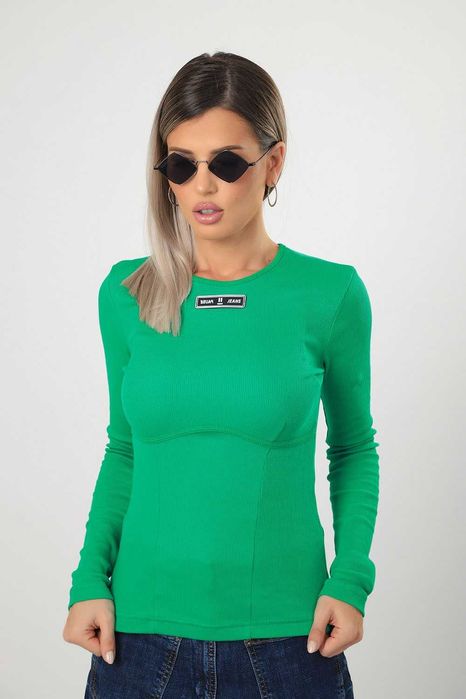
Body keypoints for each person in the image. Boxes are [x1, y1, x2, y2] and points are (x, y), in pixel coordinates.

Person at [62, 51, 379, 698]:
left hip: (289, 642)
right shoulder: (127, 294)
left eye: (226, 164)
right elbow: (124, 450)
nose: (202, 186)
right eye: (182, 165)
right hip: (137, 641)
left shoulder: (330, 294)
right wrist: (89, 580)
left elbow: (352, 450)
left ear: (274, 164)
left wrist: (350, 581)